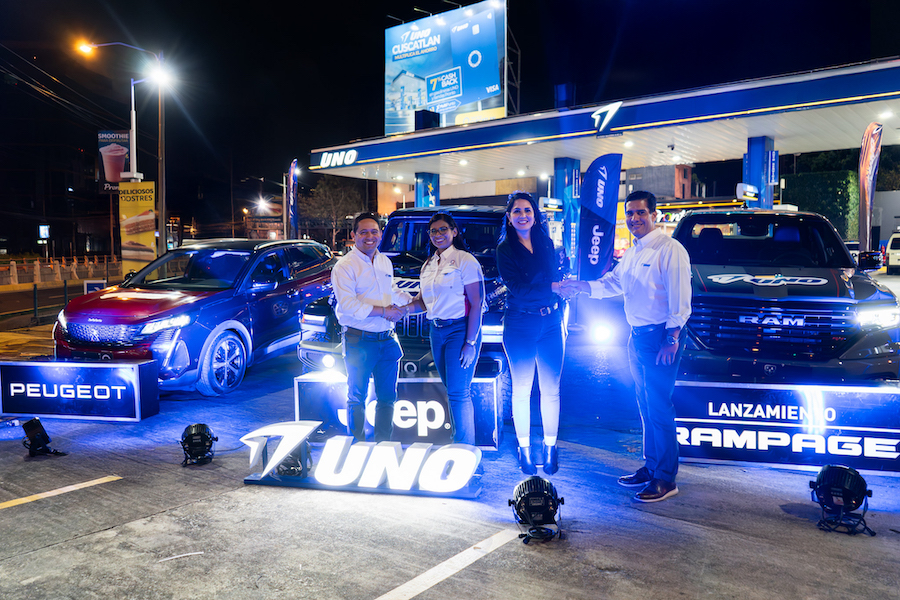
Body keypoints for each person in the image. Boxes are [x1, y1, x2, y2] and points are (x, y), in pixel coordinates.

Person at [562, 190, 691, 502]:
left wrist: (671, 338)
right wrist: (581, 287)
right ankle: (652, 467)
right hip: (638, 336)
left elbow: (680, 299)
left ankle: (666, 478)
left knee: (659, 406)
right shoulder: (634, 253)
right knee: (645, 405)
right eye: (630, 213)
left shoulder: (670, 249)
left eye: (641, 213)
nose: (634, 219)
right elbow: (612, 283)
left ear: (654, 215)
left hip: (661, 337)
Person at [496, 191, 567, 475]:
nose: (523, 215)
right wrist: (552, 288)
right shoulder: (504, 249)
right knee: (522, 389)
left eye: (527, 210)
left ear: (535, 215)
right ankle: (524, 449)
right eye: (517, 211)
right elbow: (518, 289)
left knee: (551, 389)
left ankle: (551, 447)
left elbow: (554, 278)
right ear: (509, 217)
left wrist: (560, 289)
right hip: (520, 324)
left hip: (550, 323)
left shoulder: (546, 243)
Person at [402, 213, 484, 445]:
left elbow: (477, 303)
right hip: (436, 331)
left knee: (458, 393)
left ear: (454, 232)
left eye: (443, 229)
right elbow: (423, 303)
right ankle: (459, 441)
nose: (438, 234)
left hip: (460, 330)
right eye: (433, 231)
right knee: (451, 390)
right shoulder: (428, 265)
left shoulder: (465, 260)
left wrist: (470, 343)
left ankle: (464, 450)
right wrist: (400, 310)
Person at [331, 212, 412, 442]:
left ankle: (383, 445)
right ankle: (356, 445)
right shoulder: (345, 266)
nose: (370, 236)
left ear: (381, 234)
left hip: (387, 339)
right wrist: (385, 311)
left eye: (374, 231)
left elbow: (389, 291)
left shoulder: (384, 261)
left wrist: (410, 301)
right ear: (353, 235)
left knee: (388, 398)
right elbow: (348, 305)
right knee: (357, 397)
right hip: (360, 340)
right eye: (364, 232)